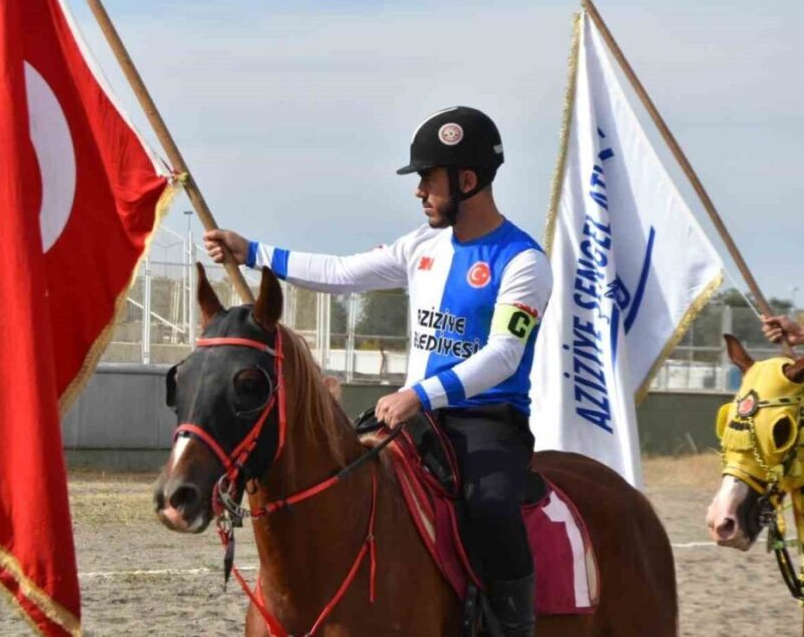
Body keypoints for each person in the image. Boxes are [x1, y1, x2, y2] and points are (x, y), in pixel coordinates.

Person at [204, 107, 551, 637]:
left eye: (428, 177)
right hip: (415, 421)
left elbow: (504, 353)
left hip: (486, 424)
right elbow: (342, 273)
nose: (419, 191)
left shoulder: (524, 261)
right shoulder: (422, 246)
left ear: (467, 179)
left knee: (491, 511)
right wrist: (252, 251)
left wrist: (420, 394)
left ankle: (511, 627)